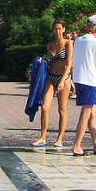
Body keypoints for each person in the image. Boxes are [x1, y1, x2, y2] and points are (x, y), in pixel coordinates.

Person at [70, 15, 96, 156]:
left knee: (93, 113)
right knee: (86, 113)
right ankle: (77, 146)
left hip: (79, 79)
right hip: (91, 81)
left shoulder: (78, 40)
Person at [33, 19, 73, 148]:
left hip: (63, 78)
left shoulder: (68, 43)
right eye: (55, 29)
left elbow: (69, 64)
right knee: (45, 107)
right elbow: (50, 61)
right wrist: (42, 63)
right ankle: (42, 136)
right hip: (51, 77)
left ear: (64, 29)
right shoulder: (50, 45)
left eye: (60, 28)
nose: (58, 31)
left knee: (62, 109)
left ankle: (59, 138)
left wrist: (62, 81)